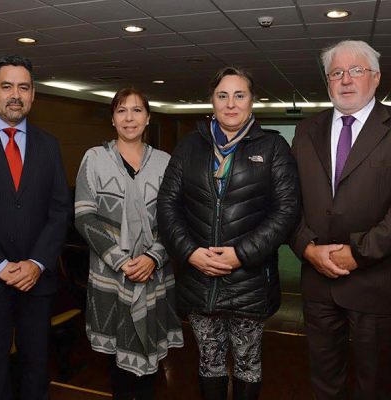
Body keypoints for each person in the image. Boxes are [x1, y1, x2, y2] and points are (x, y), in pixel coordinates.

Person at [157, 67, 299, 400]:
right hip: (198, 278)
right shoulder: (189, 146)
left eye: (239, 95)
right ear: (212, 101)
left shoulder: (274, 147)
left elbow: (286, 211)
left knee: (248, 363)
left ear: (253, 101)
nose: (230, 104)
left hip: (250, 281)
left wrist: (241, 254)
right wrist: (191, 252)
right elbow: (167, 207)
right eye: (223, 95)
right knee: (209, 362)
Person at [289, 40, 391, 399]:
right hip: (318, 284)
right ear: (328, 82)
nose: (346, 80)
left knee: (374, 384)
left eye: (356, 71)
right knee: (323, 383)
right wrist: (307, 248)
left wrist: (358, 252)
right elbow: (290, 202)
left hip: (375, 285)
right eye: (336, 73)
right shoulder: (306, 131)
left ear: (376, 78)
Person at [75, 87, 184, 399]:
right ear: (112, 118)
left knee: (152, 366)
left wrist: (153, 257)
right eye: (122, 110)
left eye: (137, 110)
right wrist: (121, 260)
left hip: (154, 274)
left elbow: (174, 220)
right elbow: (84, 217)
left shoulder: (165, 162)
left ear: (148, 118)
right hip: (112, 275)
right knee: (116, 370)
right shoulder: (94, 159)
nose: (129, 117)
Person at [0, 55, 72, 400]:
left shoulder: (49, 144)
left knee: (35, 369)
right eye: (7, 86)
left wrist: (36, 263)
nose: (15, 94)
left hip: (36, 282)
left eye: (23, 87)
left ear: (33, 94)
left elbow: (59, 210)